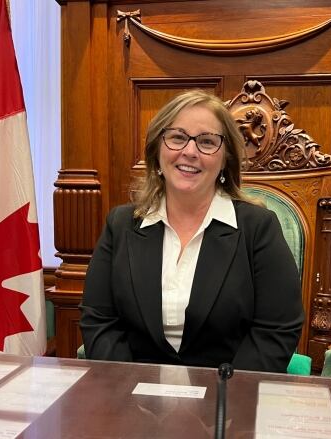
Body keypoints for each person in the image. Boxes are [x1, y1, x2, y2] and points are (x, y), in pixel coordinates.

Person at [80, 90, 303, 373]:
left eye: (207, 142)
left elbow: (277, 330)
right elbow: (99, 320)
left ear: (225, 159)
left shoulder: (258, 228)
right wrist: (130, 388)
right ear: (157, 150)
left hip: (228, 401)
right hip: (133, 399)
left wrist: (226, 396)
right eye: (177, 137)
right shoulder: (121, 225)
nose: (189, 151)